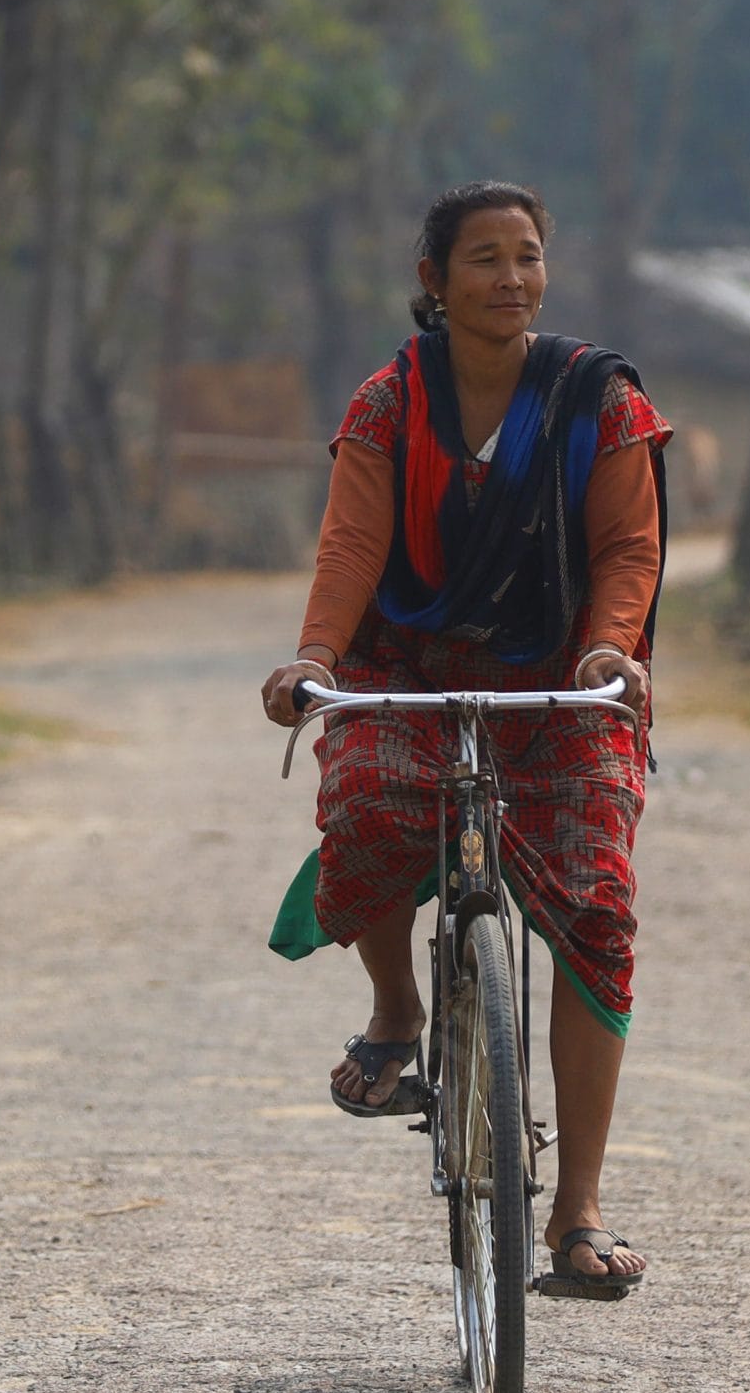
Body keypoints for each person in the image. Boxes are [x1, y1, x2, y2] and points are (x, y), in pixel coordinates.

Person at [262, 180, 668, 1299]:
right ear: (433, 282)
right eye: (483, 259)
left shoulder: (601, 400)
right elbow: (350, 547)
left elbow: (629, 550)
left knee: (595, 903)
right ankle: (398, 1011)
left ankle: (576, 1214)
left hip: (563, 681)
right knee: (367, 805)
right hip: (406, 672)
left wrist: (608, 651)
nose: (511, 279)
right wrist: (315, 662)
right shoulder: (389, 403)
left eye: (528, 256)